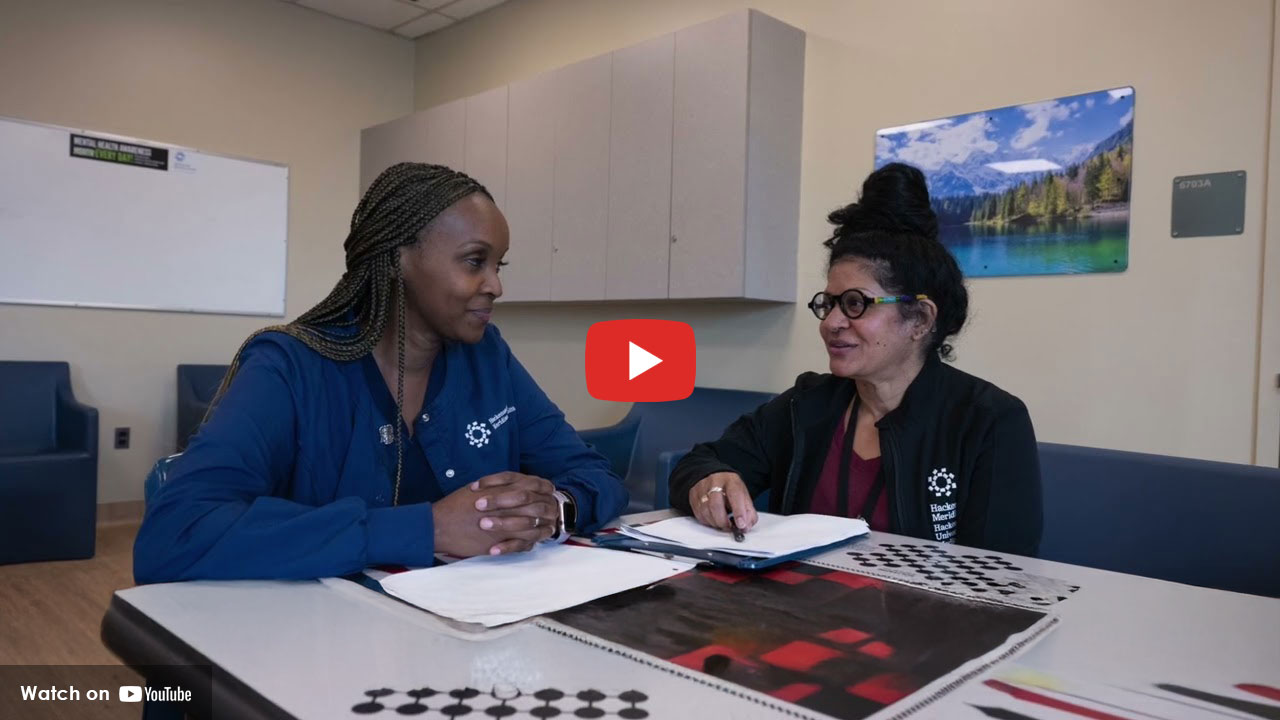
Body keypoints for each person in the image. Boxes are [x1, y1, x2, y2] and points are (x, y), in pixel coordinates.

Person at [134, 163, 628, 583]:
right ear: (398, 261)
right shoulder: (289, 366)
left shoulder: (487, 356)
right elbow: (175, 534)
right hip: (314, 650)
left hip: (463, 638)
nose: (495, 285)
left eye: (499, 265)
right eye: (475, 261)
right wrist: (427, 529)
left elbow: (592, 473)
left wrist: (555, 509)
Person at [669, 163, 1042, 556]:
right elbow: (699, 462)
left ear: (920, 319)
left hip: (923, 615)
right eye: (828, 304)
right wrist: (711, 481)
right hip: (795, 610)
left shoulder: (988, 420)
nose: (831, 323)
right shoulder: (806, 404)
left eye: (855, 304)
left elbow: (1002, 572)